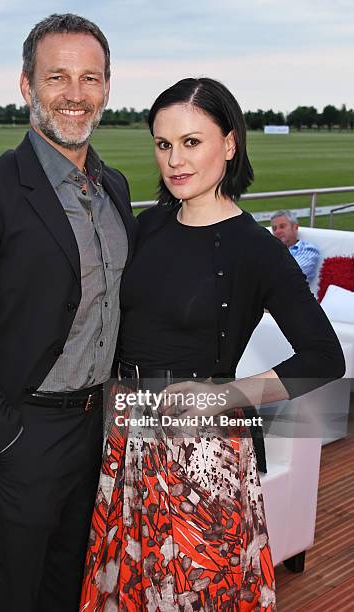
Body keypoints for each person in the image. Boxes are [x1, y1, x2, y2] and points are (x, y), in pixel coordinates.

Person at [80, 78, 345, 611]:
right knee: (128, 593)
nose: (175, 159)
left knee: (194, 596)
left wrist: (226, 396)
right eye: (163, 144)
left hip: (200, 453)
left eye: (192, 142)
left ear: (230, 144)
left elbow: (325, 356)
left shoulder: (257, 250)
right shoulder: (148, 225)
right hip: (124, 440)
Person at [0, 13, 136, 612]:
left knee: (70, 582)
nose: (75, 94)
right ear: (26, 86)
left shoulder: (115, 187)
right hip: (27, 432)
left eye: (90, 78)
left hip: (97, 426)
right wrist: (4, 434)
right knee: (15, 592)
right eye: (57, 77)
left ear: (106, 88)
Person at [271, 209, 320, 282]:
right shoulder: (271, 249)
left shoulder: (308, 250)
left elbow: (291, 274)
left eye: (282, 226)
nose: (277, 231)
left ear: (295, 227)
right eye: (274, 228)